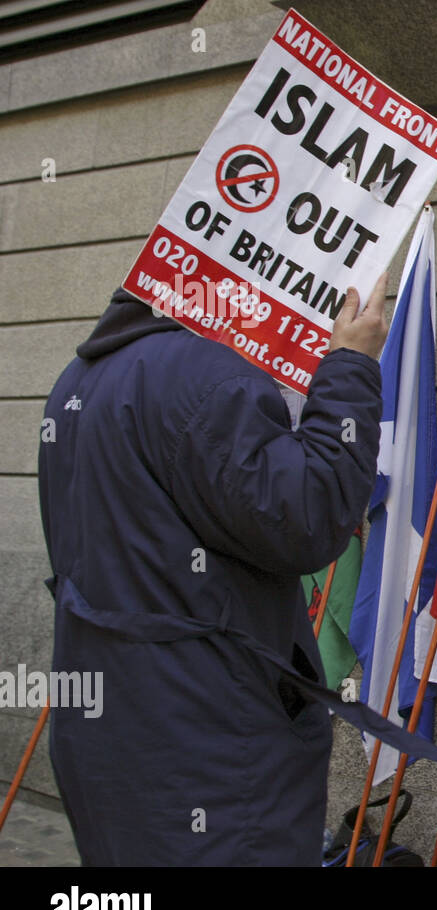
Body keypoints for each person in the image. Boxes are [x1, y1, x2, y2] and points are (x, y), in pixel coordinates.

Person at [38, 278, 395, 865]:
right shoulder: (208, 374)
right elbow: (309, 516)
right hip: (209, 752)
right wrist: (351, 366)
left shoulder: (78, 380)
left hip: (115, 740)